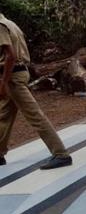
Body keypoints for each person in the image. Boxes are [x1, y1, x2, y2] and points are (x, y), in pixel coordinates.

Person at [0, 13, 72, 170]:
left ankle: (61, 154)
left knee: (35, 115)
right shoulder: (10, 23)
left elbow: (10, 56)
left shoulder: (0, 27)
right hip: (17, 73)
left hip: (12, 76)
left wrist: (3, 83)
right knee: (3, 115)